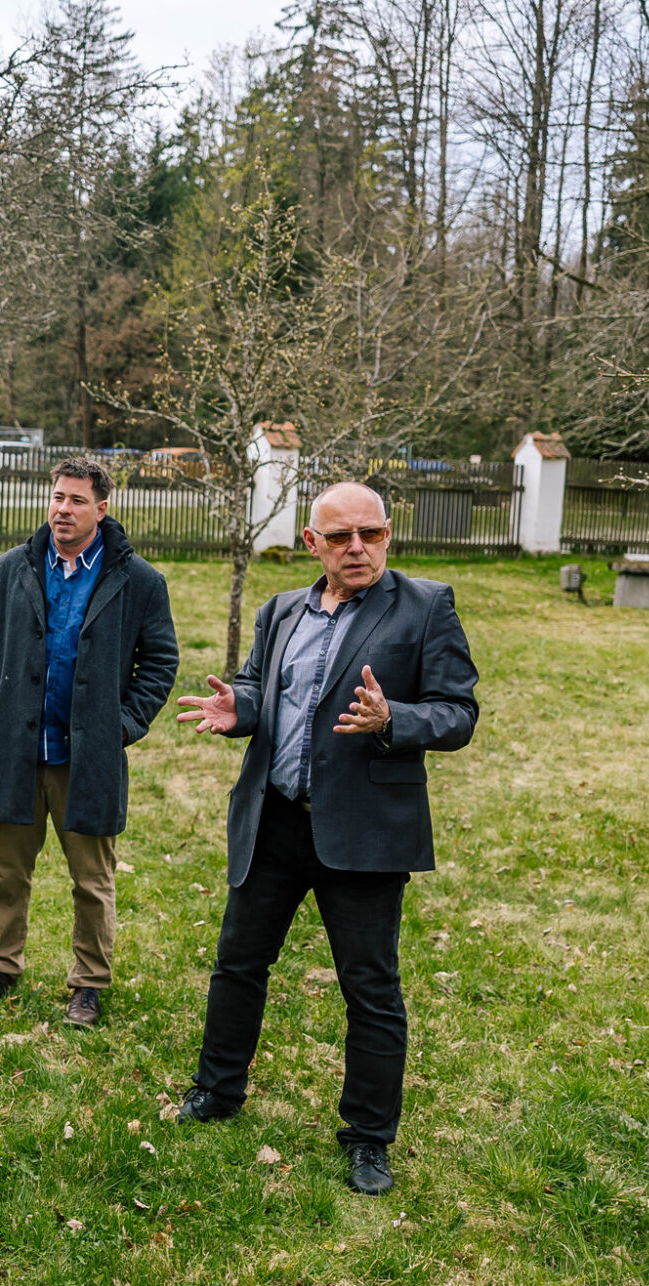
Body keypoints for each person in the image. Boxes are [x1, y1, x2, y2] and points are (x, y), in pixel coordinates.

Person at [173, 481, 479, 1196]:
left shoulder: (425, 606)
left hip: (365, 830)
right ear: (312, 543)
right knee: (238, 963)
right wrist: (242, 707)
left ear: (388, 534)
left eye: (371, 534)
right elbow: (261, 688)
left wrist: (395, 719)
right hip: (276, 817)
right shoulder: (281, 609)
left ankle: (368, 1138)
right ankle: (217, 1089)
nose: (358, 548)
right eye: (341, 537)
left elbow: (458, 713)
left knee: (370, 988)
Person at [0, 458, 179, 1028]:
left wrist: (123, 725)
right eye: (58, 497)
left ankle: (88, 984)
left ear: (101, 509)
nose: (63, 509)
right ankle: (1, 967)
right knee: (8, 873)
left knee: (92, 881)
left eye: (77, 500)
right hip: (17, 750)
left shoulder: (139, 581)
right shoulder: (9, 570)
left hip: (88, 757)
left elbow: (160, 662)